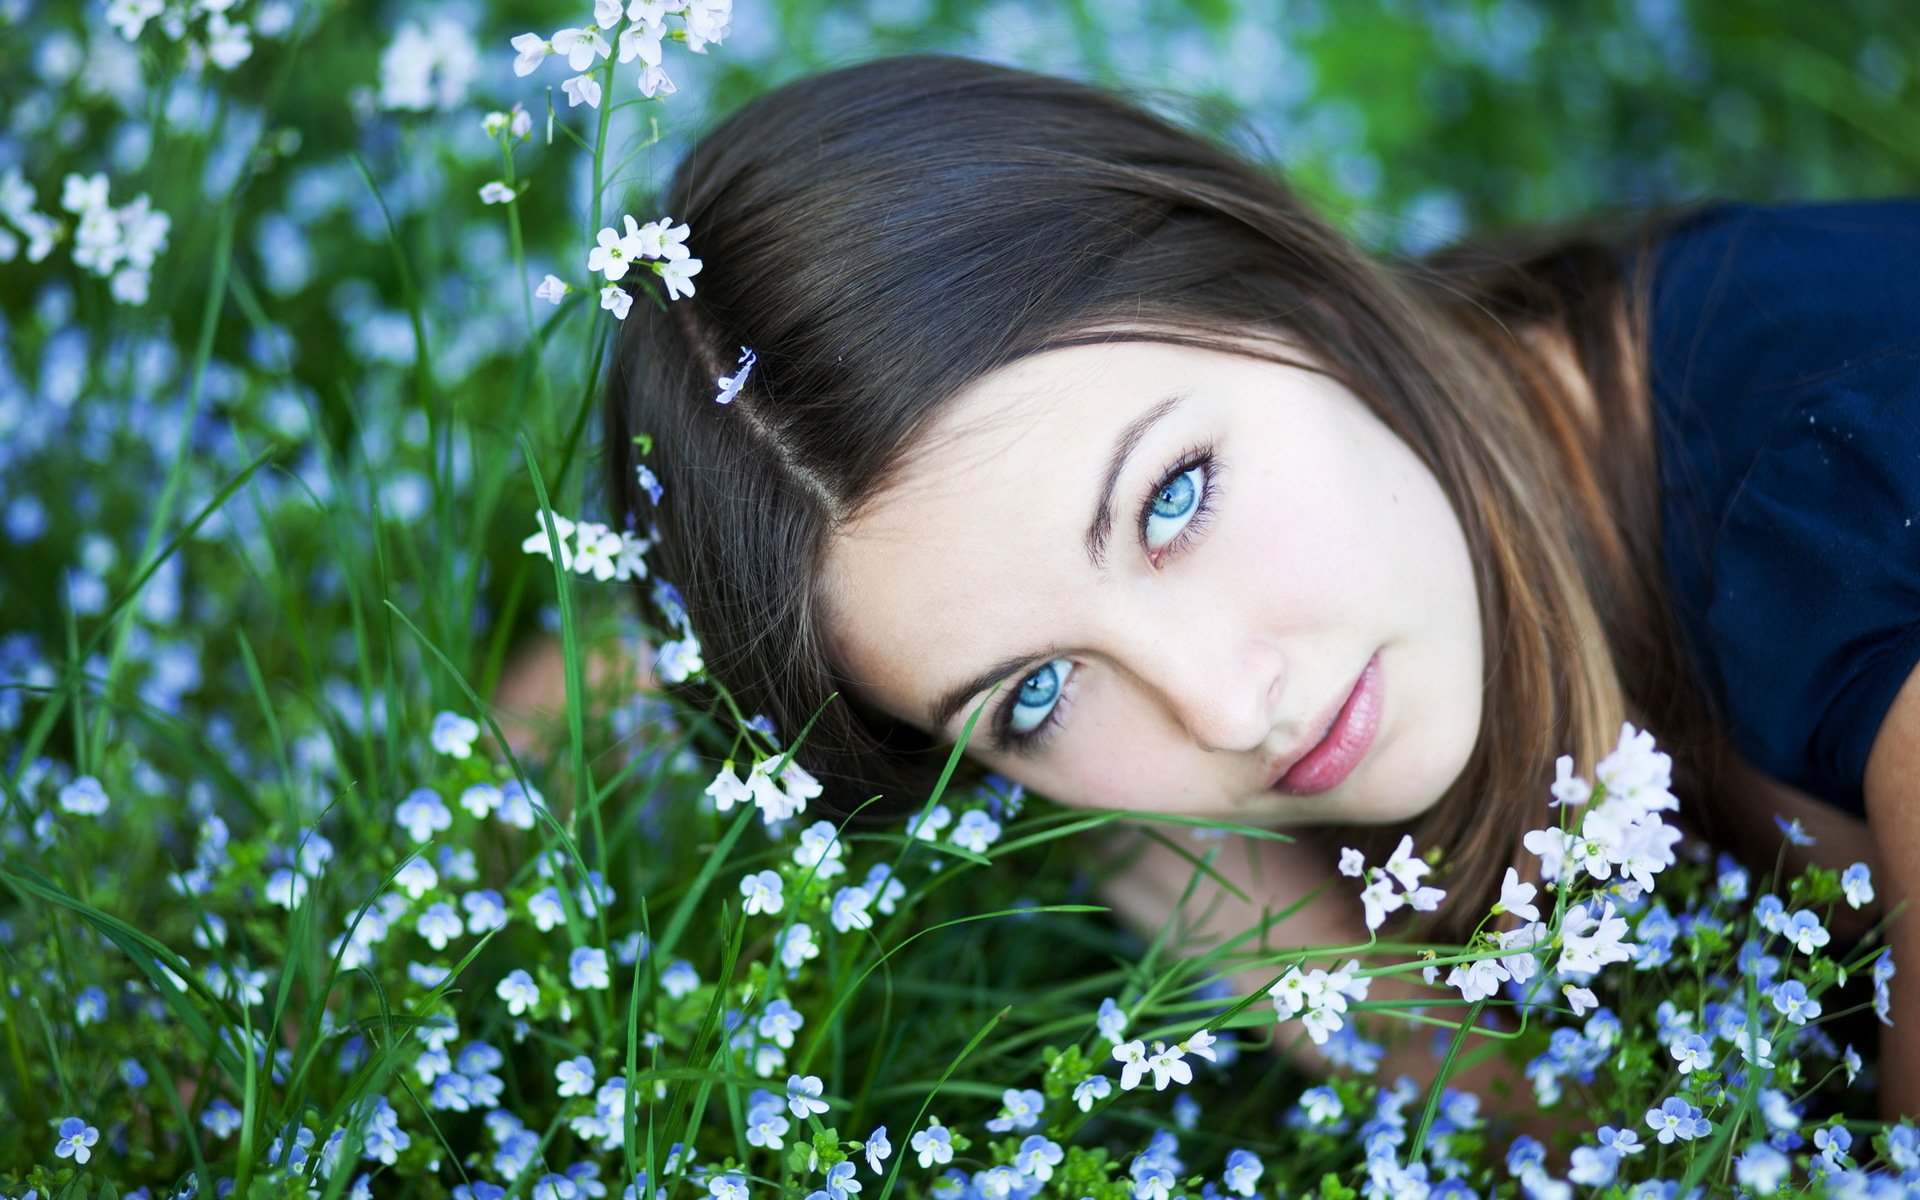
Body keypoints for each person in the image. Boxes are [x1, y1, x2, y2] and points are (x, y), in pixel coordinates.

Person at [571, 53, 1920, 1117]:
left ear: (1289, 296)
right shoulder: (1420, 433)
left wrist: (1376, 1018)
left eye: (1174, 498)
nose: (1222, 710)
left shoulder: (1839, 477)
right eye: (1037, 693)